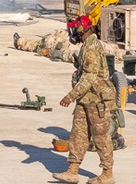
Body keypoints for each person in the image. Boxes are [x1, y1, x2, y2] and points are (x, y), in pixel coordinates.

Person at [52, 15, 117, 184]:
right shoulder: (86, 46)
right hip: (86, 98)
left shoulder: (91, 48)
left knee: (101, 137)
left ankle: (107, 173)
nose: (73, 32)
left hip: (97, 100)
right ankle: (72, 171)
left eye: (75, 29)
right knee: (78, 134)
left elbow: (89, 77)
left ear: (83, 29)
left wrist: (70, 96)